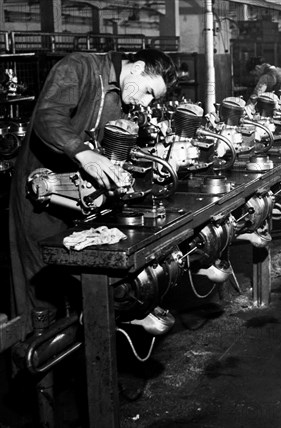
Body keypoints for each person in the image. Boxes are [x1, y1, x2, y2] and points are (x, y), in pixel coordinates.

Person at [9, 48, 178, 332]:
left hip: (83, 199)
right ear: (136, 67)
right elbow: (48, 117)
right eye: (148, 91)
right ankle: (36, 362)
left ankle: (104, 317)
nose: (145, 101)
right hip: (42, 191)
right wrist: (83, 153)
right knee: (39, 286)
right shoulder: (80, 67)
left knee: (84, 269)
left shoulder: (124, 97)